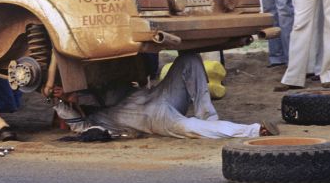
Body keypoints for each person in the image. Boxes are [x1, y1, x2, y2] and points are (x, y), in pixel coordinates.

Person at [53, 53, 279, 139]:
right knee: (190, 127)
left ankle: (209, 117)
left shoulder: (100, 90)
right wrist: (62, 100)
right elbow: (77, 124)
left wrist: (76, 96)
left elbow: (112, 94)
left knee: (188, 59)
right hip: (153, 119)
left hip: (159, 96)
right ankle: (255, 130)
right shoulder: (94, 122)